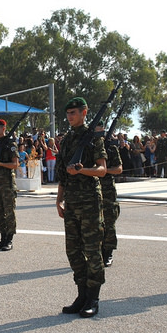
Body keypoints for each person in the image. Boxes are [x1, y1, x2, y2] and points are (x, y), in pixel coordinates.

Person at [55, 97, 107, 318]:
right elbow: (62, 175)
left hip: (89, 201)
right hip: (72, 201)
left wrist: (82, 170)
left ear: (85, 112)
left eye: (73, 113)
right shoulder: (66, 140)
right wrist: (58, 199)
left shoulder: (94, 139)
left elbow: (102, 170)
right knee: (73, 250)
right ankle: (81, 293)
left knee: (92, 251)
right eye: (67, 114)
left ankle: (93, 297)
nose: (70, 117)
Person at [0, 119, 19, 251]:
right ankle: (2, 237)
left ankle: (9, 240)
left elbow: (15, 164)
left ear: (3, 128)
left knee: (9, 211)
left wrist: (0, 164)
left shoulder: (10, 144)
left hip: (7, 183)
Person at [96, 123, 123, 267]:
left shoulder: (111, 149)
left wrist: (104, 171)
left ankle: (108, 252)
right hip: (93, 189)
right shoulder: (91, 148)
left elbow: (119, 169)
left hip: (107, 191)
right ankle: (97, 252)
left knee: (109, 222)